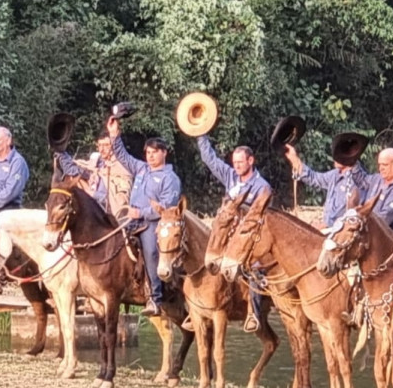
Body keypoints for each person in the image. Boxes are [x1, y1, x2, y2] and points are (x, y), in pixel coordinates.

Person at [196, 134, 271, 332]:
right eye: (234, 162)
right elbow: (210, 159)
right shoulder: (230, 176)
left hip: (251, 236)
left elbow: (263, 216)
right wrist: (200, 133)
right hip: (227, 234)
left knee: (255, 268)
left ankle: (253, 313)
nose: (237, 166)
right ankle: (197, 306)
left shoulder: (262, 187)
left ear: (250, 161)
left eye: (240, 162)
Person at [107, 117, 181, 316]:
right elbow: (122, 156)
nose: (150, 156)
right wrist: (114, 134)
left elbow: (167, 207)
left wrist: (142, 212)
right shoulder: (141, 169)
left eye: (154, 152)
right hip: (130, 220)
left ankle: (154, 298)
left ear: (164, 153)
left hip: (152, 223)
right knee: (106, 237)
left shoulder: (170, 178)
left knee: (150, 252)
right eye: (148, 152)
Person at [284, 144, 368, 229]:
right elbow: (314, 178)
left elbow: (343, 210)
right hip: (328, 228)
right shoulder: (335, 174)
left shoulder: (357, 180)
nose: (335, 157)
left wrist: (325, 225)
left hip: (341, 231)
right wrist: (294, 159)